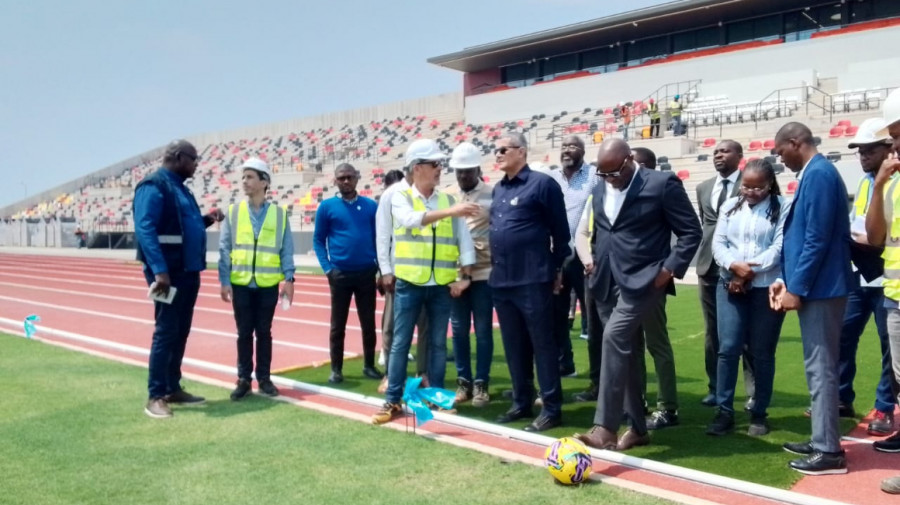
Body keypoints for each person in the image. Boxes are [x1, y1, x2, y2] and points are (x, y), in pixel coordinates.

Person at [574, 138, 701, 451]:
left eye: (615, 173)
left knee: (613, 338)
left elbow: (690, 231)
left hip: (645, 280)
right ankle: (638, 428)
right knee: (626, 354)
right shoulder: (600, 186)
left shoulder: (662, 184)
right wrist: (593, 262)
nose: (610, 180)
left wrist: (668, 269)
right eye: (603, 175)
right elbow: (604, 231)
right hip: (605, 280)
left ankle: (605, 426)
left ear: (629, 159)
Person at [371, 139, 478, 425]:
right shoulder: (400, 196)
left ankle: (437, 399)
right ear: (417, 168)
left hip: (441, 285)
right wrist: (385, 269)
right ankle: (393, 400)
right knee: (400, 344)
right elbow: (409, 220)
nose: (439, 169)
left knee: (437, 345)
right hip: (409, 283)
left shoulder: (447, 201)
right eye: (434, 164)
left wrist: (465, 276)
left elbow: (463, 240)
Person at [770, 122, 853, 475]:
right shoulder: (815, 172)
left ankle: (828, 451)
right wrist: (786, 280)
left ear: (794, 142)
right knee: (817, 368)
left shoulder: (819, 174)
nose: (779, 158)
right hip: (817, 286)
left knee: (821, 370)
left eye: (780, 151)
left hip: (821, 289)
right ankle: (822, 438)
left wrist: (796, 288)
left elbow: (816, 239)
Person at [134, 139, 224, 418]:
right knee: (165, 331)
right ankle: (156, 394)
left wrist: (207, 219)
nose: (196, 164)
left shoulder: (181, 189)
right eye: (193, 158)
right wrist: (159, 270)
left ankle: (173, 387)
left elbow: (188, 225)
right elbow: (145, 228)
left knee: (181, 330)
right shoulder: (154, 186)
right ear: (177, 157)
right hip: (167, 275)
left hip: (188, 271)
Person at [491, 133, 571, 432]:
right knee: (514, 345)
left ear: (521, 152)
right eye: (495, 150)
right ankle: (521, 401)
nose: (497, 155)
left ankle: (551, 407)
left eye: (503, 150)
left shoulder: (542, 184)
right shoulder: (498, 189)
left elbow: (560, 232)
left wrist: (557, 268)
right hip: (502, 281)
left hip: (533, 279)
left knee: (543, 344)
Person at [706, 159, 789, 437]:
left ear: (769, 185)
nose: (750, 192)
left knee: (762, 352)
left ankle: (759, 413)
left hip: (766, 287)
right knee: (728, 348)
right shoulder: (730, 206)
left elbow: (779, 248)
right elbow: (718, 243)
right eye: (746, 186)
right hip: (730, 285)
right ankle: (724, 411)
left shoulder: (782, 206)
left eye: (758, 188)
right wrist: (733, 267)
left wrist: (748, 271)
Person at [832, 118, 897, 433]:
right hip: (862, 276)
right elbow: (861, 226)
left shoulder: (894, 181)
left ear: (889, 147)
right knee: (843, 336)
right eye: (859, 151)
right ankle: (842, 399)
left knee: (889, 348)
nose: (863, 156)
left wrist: (867, 237)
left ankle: (885, 409)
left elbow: (879, 234)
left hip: (889, 279)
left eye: (870, 150)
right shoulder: (863, 184)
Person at [218, 158, 295, 400]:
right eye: (243, 177)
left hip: (267, 284)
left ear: (264, 182)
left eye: (250, 177)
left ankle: (264, 378)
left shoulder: (280, 215)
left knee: (264, 332)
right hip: (240, 283)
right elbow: (224, 248)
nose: (244, 182)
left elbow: (286, 249)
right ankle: (243, 378)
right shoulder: (233, 212)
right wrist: (224, 280)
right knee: (243, 332)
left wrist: (289, 280)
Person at [696, 140, 756, 411]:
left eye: (725, 151)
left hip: (742, 269)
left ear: (740, 156)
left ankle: (752, 392)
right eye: (715, 152)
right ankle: (716, 387)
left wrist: (740, 267)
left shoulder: (752, 181)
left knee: (745, 334)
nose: (718, 155)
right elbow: (707, 225)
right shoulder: (703, 188)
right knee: (713, 332)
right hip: (708, 267)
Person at [313, 163, 382, 384]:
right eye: (341, 178)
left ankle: (369, 365)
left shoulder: (371, 206)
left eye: (349, 177)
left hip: (366, 273)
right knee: (337, 325)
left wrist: (380, 268)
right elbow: (318, 240)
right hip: (340, 275)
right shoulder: (327, 207)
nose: (346, 181)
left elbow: (379, 240)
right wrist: (328, 268)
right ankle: (336, 369)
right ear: (335, 181)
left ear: (357, 178)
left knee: (368, 322)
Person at [865, 88, 900, 495]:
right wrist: (878, 186)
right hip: (894, 296)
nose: (895, 144)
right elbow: (876, 238)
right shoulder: (889, 183)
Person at [447, 142, 494, 407]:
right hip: (455, 275)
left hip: (484, 272)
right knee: (459, 330)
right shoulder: (448, 195)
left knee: (484, 330)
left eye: (467, 171)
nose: (463, 176)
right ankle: (463, 382)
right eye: (459, 171)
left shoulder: (492, 193)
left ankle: (481, 384)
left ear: (478, 168)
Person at [375, 164, 428, 394]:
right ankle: (390, 375)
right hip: (399, 273)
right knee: (392, 326)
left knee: (426, 326)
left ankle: (423, 373)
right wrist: (385, 270)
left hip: (427, 274)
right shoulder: (391, 194)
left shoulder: (429, 192)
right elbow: (383, 234)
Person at [549, 135, 599, 378]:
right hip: (558, 256)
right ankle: (564, 364)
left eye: (572, 146)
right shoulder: (552, 178)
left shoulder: (595, 176)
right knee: (557, 314)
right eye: (564, 146)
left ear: (583, 150)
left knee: (592, 315)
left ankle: (597, 374)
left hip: (586, 257)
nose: (567, 150)